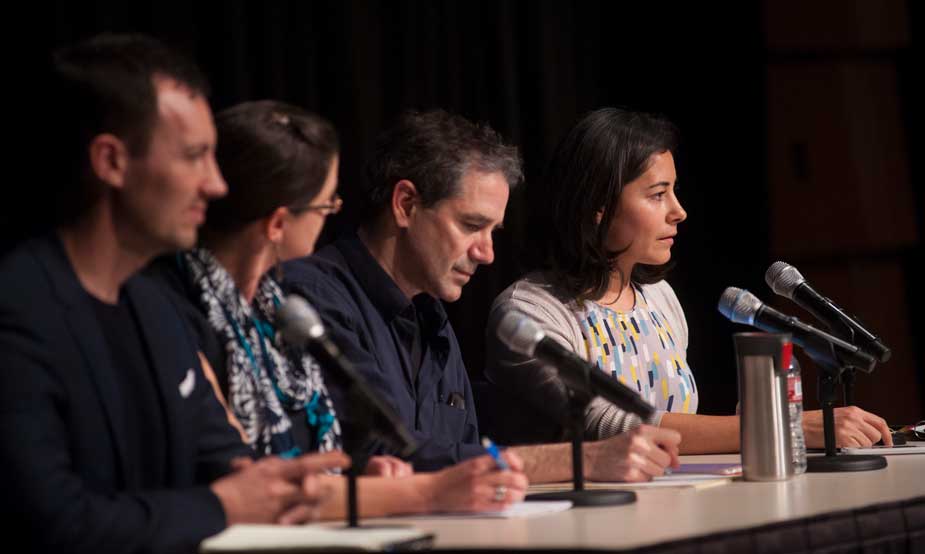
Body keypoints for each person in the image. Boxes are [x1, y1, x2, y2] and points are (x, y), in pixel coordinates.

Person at [0, 34, 347, 554]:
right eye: (194, 156)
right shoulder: (19, 309)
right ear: (111, 161)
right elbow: (54, 523)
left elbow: (229, 467)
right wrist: (223, 505)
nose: (216, 185)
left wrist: (287, 486)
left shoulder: (156, 310)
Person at [148, 100, 528, 518]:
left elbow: (332, 453)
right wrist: (420, 491)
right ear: (277, 224)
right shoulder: (204, 310)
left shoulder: (275, 308)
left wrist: (361, 477)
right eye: (326, 206)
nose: (488, 253)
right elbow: (251, 484)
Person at [283, 109, 681, 483]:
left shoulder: (430, 315)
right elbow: (387, 455)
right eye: (471, 225)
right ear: (406, 204)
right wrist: (583, 459)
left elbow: (459, 450)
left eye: (493, 231)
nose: (486, 253)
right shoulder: (313, 300)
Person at [485, 107, 893, 453]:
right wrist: (781, 426)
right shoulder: (528, 312)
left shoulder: (658, 297)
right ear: (597, 205)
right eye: (657, 194)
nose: (678, 211)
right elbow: (610, 425)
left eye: (674, 192)